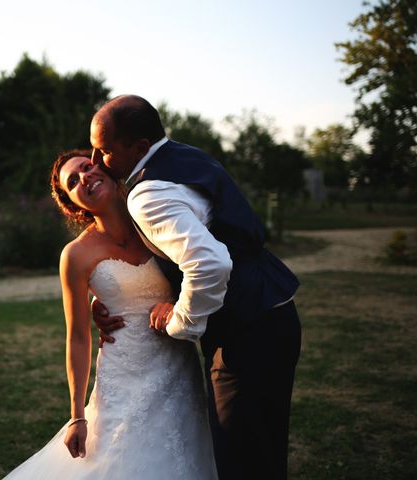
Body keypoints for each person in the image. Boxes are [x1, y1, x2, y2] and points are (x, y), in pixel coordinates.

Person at [89, 95, 301, 480]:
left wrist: (179, 322)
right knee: (264, 454)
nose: (96, 160)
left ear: (138, 147)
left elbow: (210, 262)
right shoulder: (184, 156)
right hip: (274, 312)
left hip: (246, 333)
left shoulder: (147, 193)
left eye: (104, 150)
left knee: (243, 463)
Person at [3, 150, 218, 479]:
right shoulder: (75, 255)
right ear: (73, 204)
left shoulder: (153, 220)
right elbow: (76, 336)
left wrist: (175, 306)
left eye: (86, 167)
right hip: (122, 373)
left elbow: (194, 270)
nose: (83, 178)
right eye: (72, 182)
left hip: (177, 364)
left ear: (104, 169)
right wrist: (76, 416)